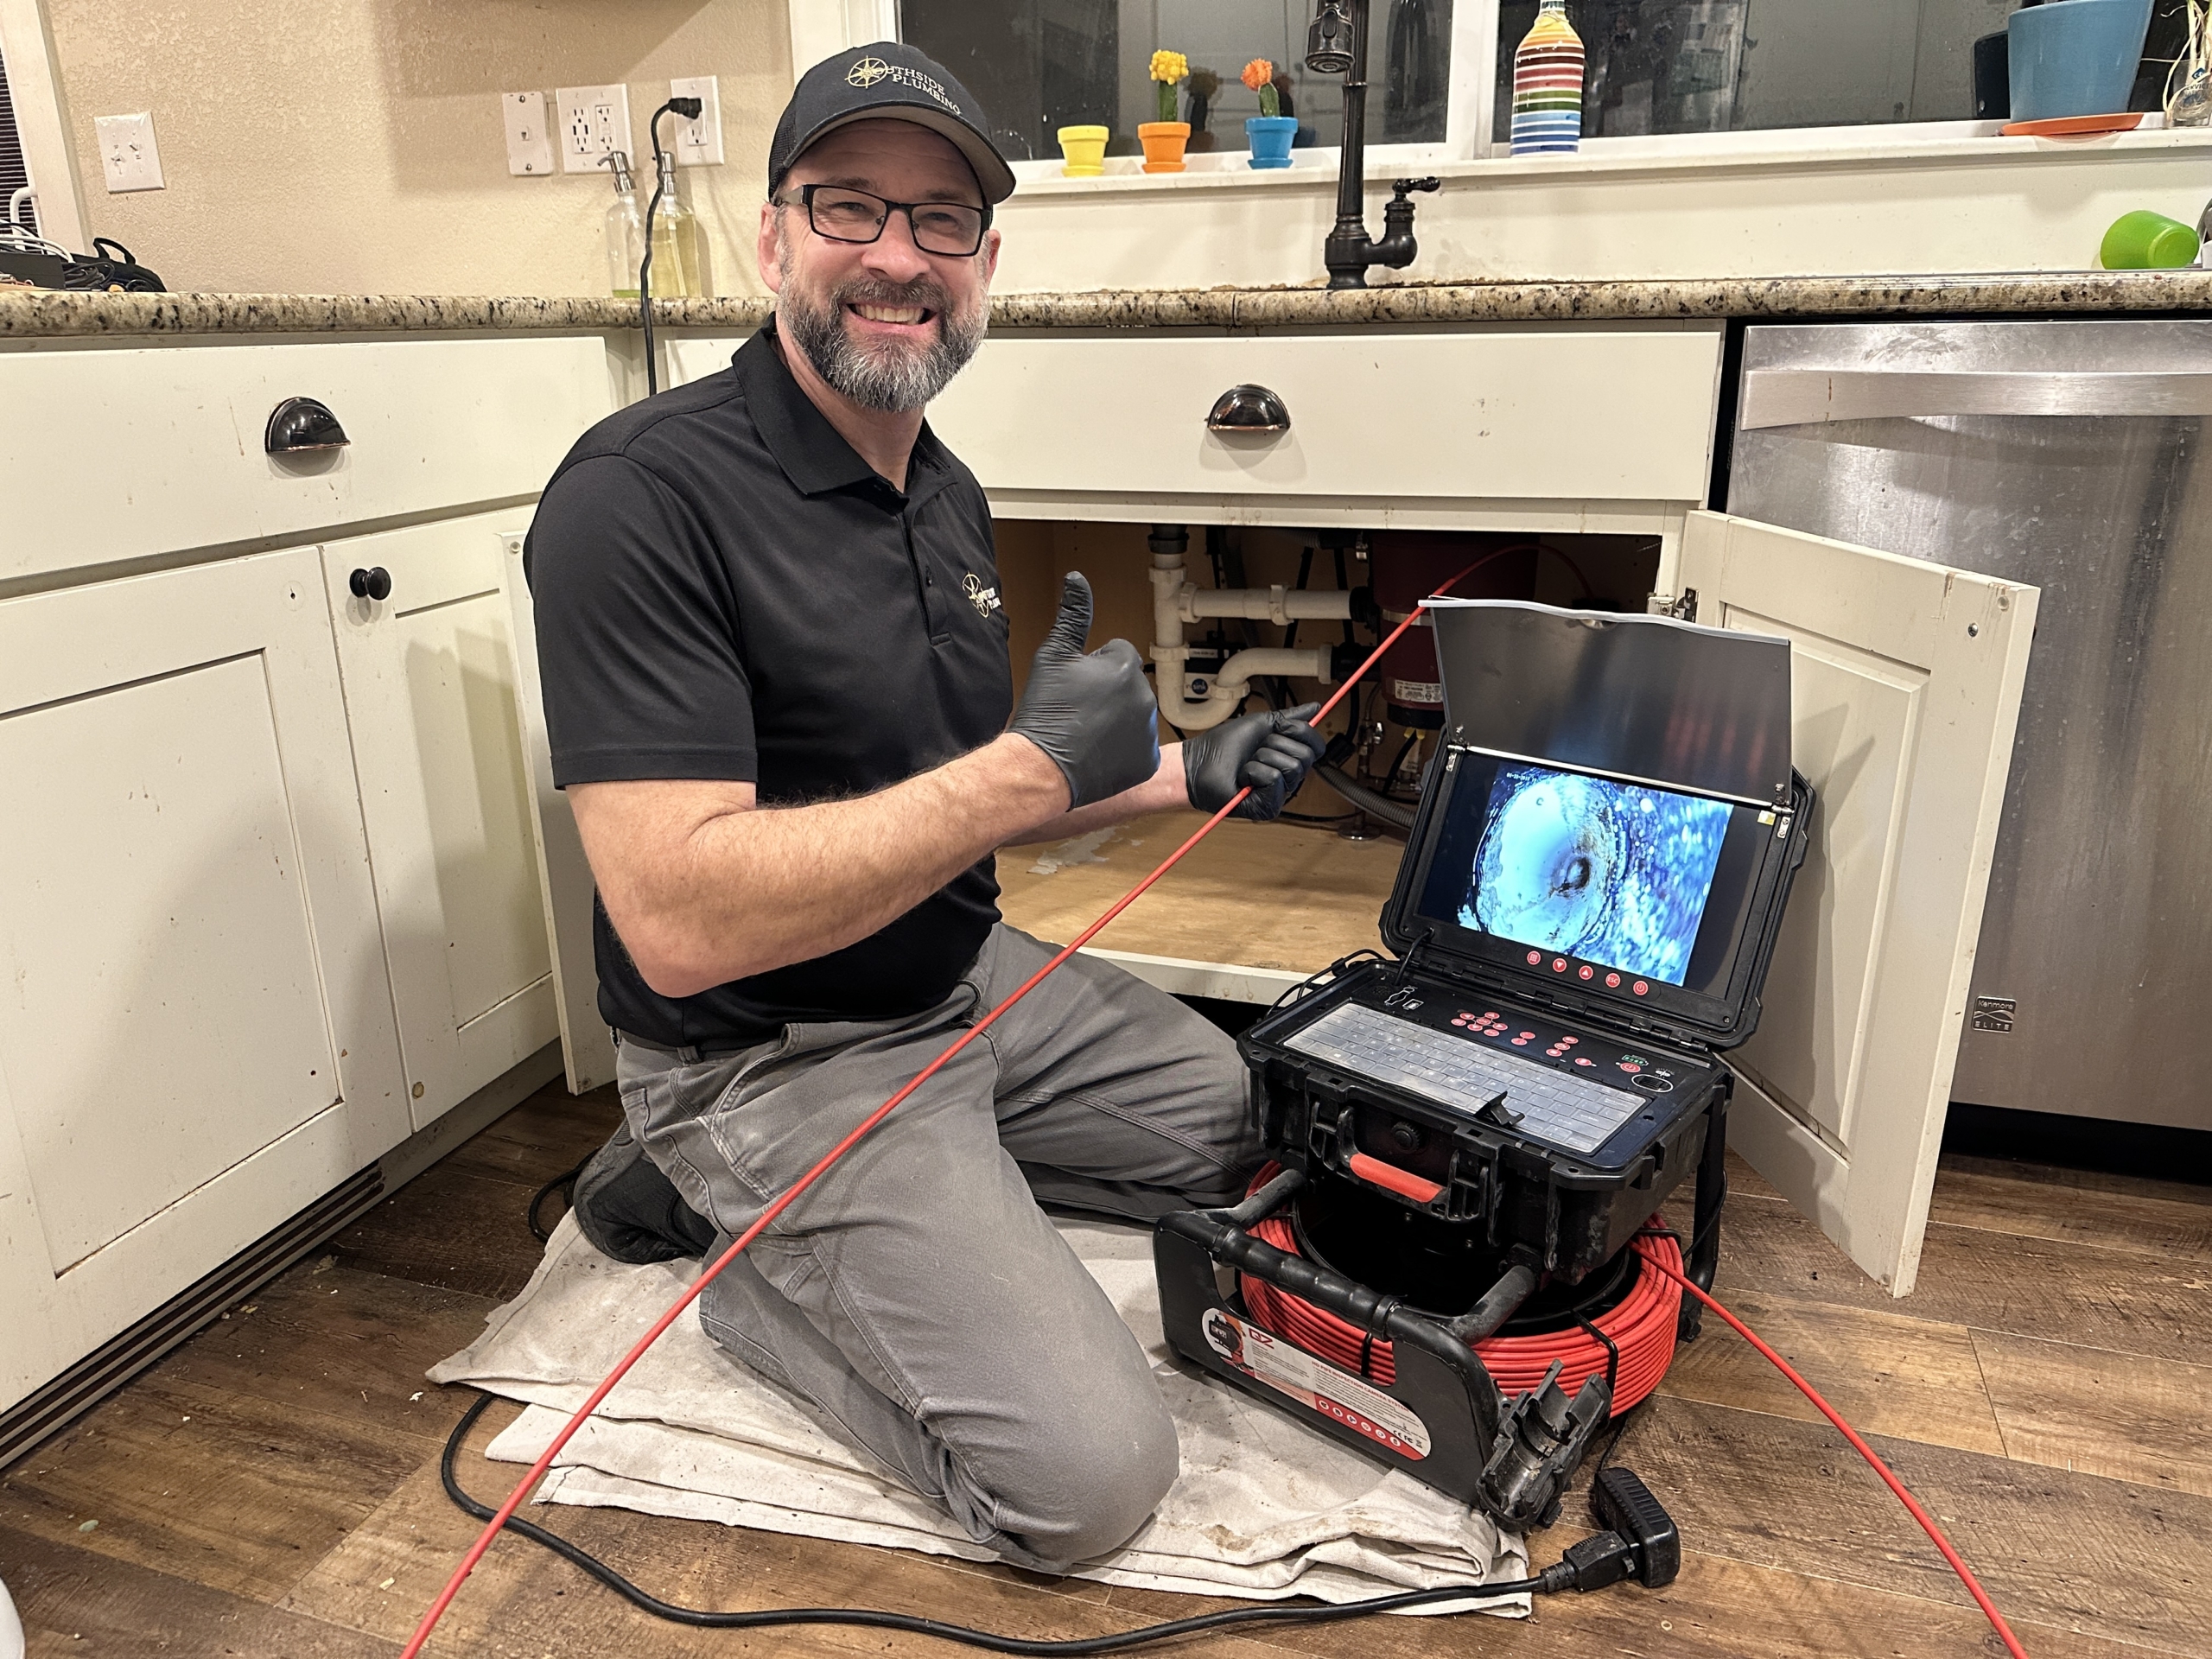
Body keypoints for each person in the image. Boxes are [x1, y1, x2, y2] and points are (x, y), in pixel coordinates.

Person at [524, 42, 1326, 1572]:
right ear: (773, 237)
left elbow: (946, 807)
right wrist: (1033, 767)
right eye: (849, 207)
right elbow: (680, 922)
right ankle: (746, 1263)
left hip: (961, 985)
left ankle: (880, 1221)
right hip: (766, 1055)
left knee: (1230, 1115)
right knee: (1086, 1483)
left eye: (941, 219)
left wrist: (1182, 774)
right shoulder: (639, 499)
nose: (897, 256)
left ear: (984, 264)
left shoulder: (942, 493)